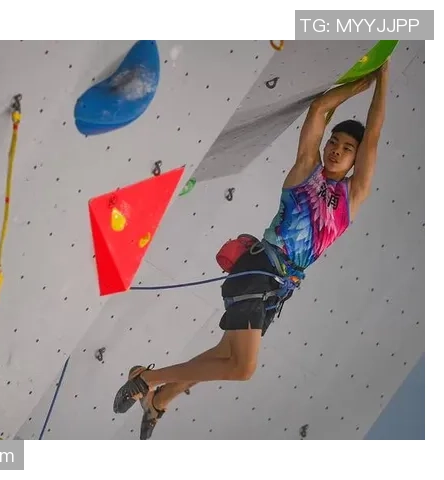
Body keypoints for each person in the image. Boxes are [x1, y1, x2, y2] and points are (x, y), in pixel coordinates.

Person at [113, 61, 390, 440]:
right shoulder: (307, 170)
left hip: (278, 290)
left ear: (356, 159)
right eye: (333, 142)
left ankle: (161, 399)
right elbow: (319, 109)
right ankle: (147, 380)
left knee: (224, 355)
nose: (336, 151)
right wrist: (369, 79)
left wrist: (384, 83)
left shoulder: (350, 198)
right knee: (242, 368)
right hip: (259, 270)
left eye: (347, 149)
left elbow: (373, 136)